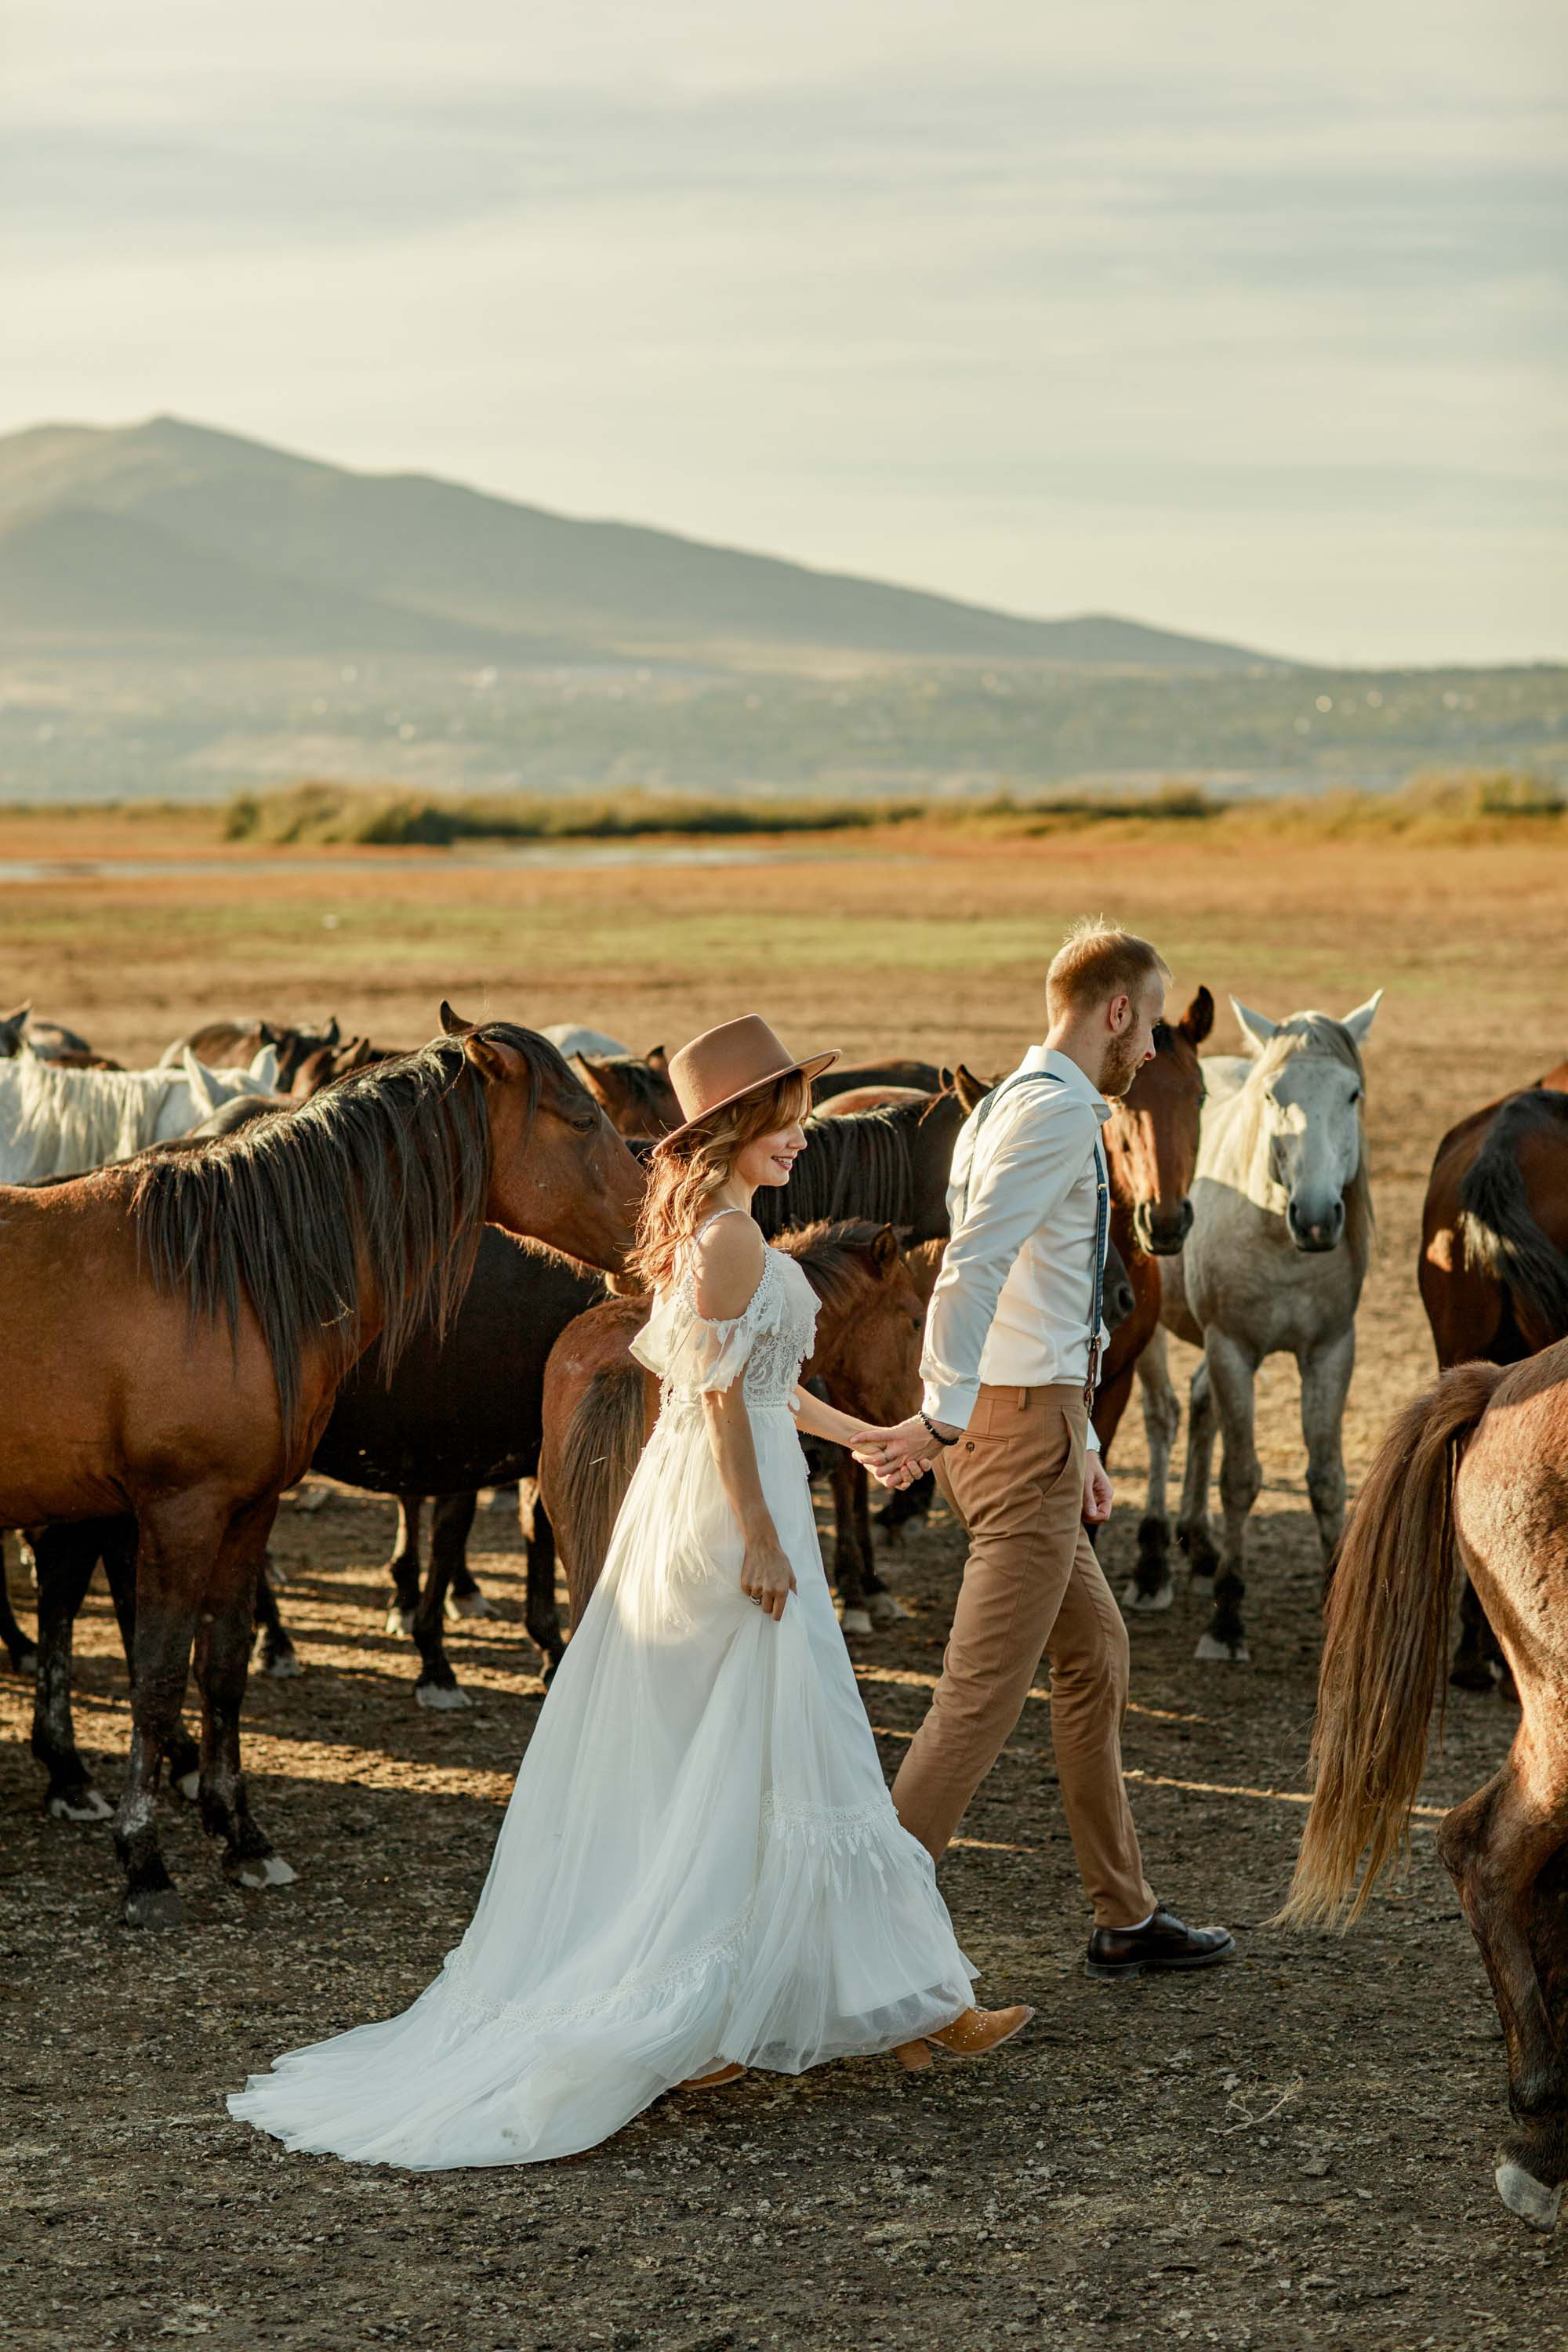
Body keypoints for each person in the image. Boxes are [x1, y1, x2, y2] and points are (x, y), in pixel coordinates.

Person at [227, 1014, 1031, 2171]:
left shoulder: (722, 1230)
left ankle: (896, 2003)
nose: (805, 1138)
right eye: (790, 1121)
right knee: (791, 1743)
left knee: (779, 1748)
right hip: (729, 1516)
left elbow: (759, 1379)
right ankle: (889, 2004)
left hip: (732, 1500)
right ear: (741, 1127)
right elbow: (714, 1401)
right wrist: (761, 1535)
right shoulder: (726, 1241)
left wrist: (859, 1433)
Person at [855, 924, 1235, 1980]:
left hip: (1037, 1424)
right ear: (1115, 1013)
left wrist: (1080, 1438)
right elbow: (971, 1265)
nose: (1155, 1049)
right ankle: (853, 1931)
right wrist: (940, 1414)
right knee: (978, 1695)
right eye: (1152, 1025)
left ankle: (1125, 1915)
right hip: (1010, 1432)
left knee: (1096, 1654)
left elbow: (1026, 1278)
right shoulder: (1064, 1110)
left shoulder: (1008, 1104)